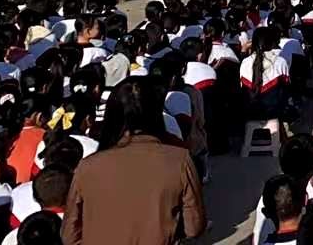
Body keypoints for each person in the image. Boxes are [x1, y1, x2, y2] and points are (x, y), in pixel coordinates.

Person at [62, 76, 206, 245]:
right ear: (156, 112)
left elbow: (70, 235)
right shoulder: (180, 160)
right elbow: (194, 227)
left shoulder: (87, 167)